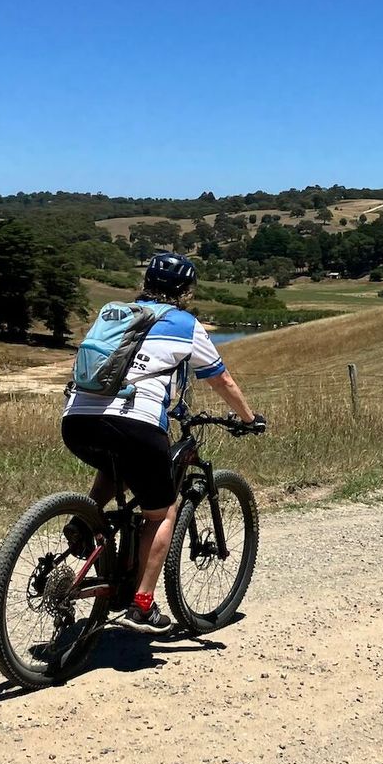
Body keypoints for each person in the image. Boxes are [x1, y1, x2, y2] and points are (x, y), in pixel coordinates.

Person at [61, 252, 265, 632]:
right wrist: (249, 418)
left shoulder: (115, 313)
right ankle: (142, 605)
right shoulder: (185, 324)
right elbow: (221, 379)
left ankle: (83, 522)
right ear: (186, 291)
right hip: (134, 423)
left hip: (76, 420)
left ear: (145, 283)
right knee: (162, 513)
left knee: (117, 467)